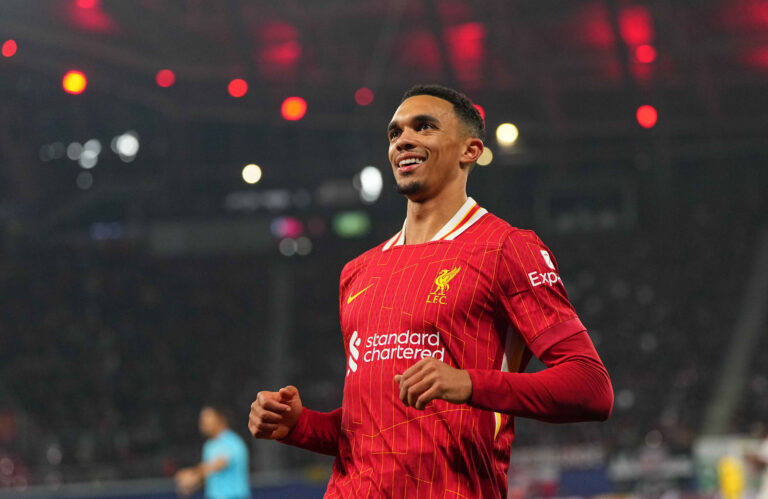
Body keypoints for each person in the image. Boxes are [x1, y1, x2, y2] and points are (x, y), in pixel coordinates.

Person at [248, 84, 613, 498]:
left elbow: (591, 388)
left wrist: (470, 384)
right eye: (395, 132)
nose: (403, 140)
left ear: (470, 150)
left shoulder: (506, 249)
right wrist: (299, 425)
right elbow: (370, 434)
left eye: (424, 127)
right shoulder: (357, 272)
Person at [176, 406, 250, 499]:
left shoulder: (232, 441)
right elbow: (211, 475)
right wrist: (192, 485)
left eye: (207, 417)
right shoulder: (209, 445)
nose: (203, 422)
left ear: (221, 419)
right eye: (202, 418)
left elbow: (219, 464)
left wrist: (194, 475)